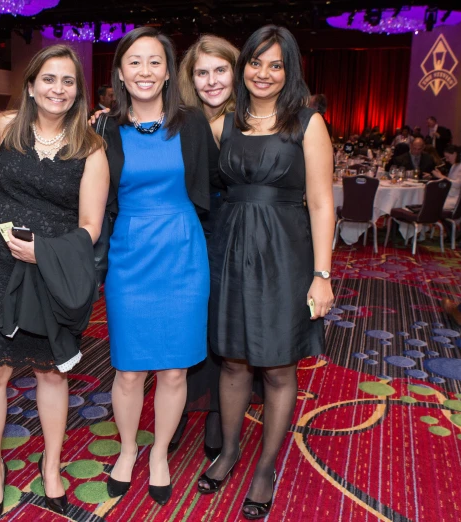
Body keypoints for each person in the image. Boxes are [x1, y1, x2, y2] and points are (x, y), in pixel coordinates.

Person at [0, 44, 108, 522]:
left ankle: (51, 466)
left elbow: (90, 226)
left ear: (78, 91)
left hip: (51, 268)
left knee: (51, 370)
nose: (57, 89)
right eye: (48, 79)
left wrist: (43, 252)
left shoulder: (91, 147)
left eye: (67, 81)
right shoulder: (4, 127)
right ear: (30, 85)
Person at [199, 25, 333, 520]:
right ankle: (231, 451)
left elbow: (321, 204)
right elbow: (173, 143)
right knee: (233, 359)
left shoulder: (307, 123)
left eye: (275, 65)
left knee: (279, 365)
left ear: (289, 70)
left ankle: (265, 466)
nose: (263, 73)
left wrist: (322, 274)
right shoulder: (223, 124)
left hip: (285, 253)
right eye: (256, 62)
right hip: (231, 249)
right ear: (244, 67)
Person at [95, 26, 217, 507]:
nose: (144, 71)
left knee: (173, 371)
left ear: (168, 71)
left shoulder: (190, 123)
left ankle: (160, 453)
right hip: (129, 253)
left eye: (154, 62)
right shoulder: (104, 128)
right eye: (134, 62)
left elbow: (212, 187)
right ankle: (127, 449)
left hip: (184, 253)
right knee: (127, 369)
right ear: (120, 74)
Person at [172, 33, 265, 459]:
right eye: (201, 72)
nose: (211, 81)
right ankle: (176, 409)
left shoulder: (255, 119)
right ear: (190, 78)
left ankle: (214, 415)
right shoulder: (181, 121)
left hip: (238, 236)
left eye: (220, 70)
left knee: (225, 329)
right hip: (190, 234)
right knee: (186, 323)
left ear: (237, 70)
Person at [429, 144, 461, 210]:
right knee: (429, 200)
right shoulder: (454, 166)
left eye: (448, 157)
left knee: (433, 204)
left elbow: (458, 184)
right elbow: (448, 181)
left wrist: (441, 176)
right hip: (449, 195)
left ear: (455, 154)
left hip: (456, 198)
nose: (446, 160)